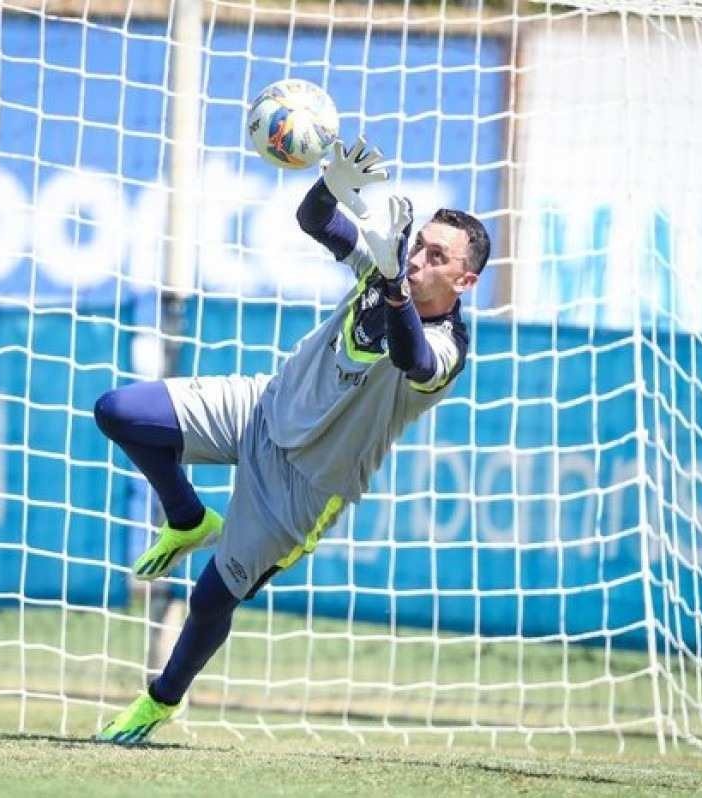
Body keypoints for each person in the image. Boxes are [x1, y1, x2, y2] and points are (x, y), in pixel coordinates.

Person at [91, 136, 490, 744]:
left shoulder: (448, 347)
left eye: (437, 258)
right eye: (419, 246)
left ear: (463, 281)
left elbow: (410, 356)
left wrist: (392, 286)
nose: (417, 260)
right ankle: (188, 517)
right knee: (121, 411)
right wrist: (331, 182)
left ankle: (158, 702)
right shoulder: (382, 266)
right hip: (262, 406)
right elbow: (314, 219)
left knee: (209, 600)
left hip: (303, 489)